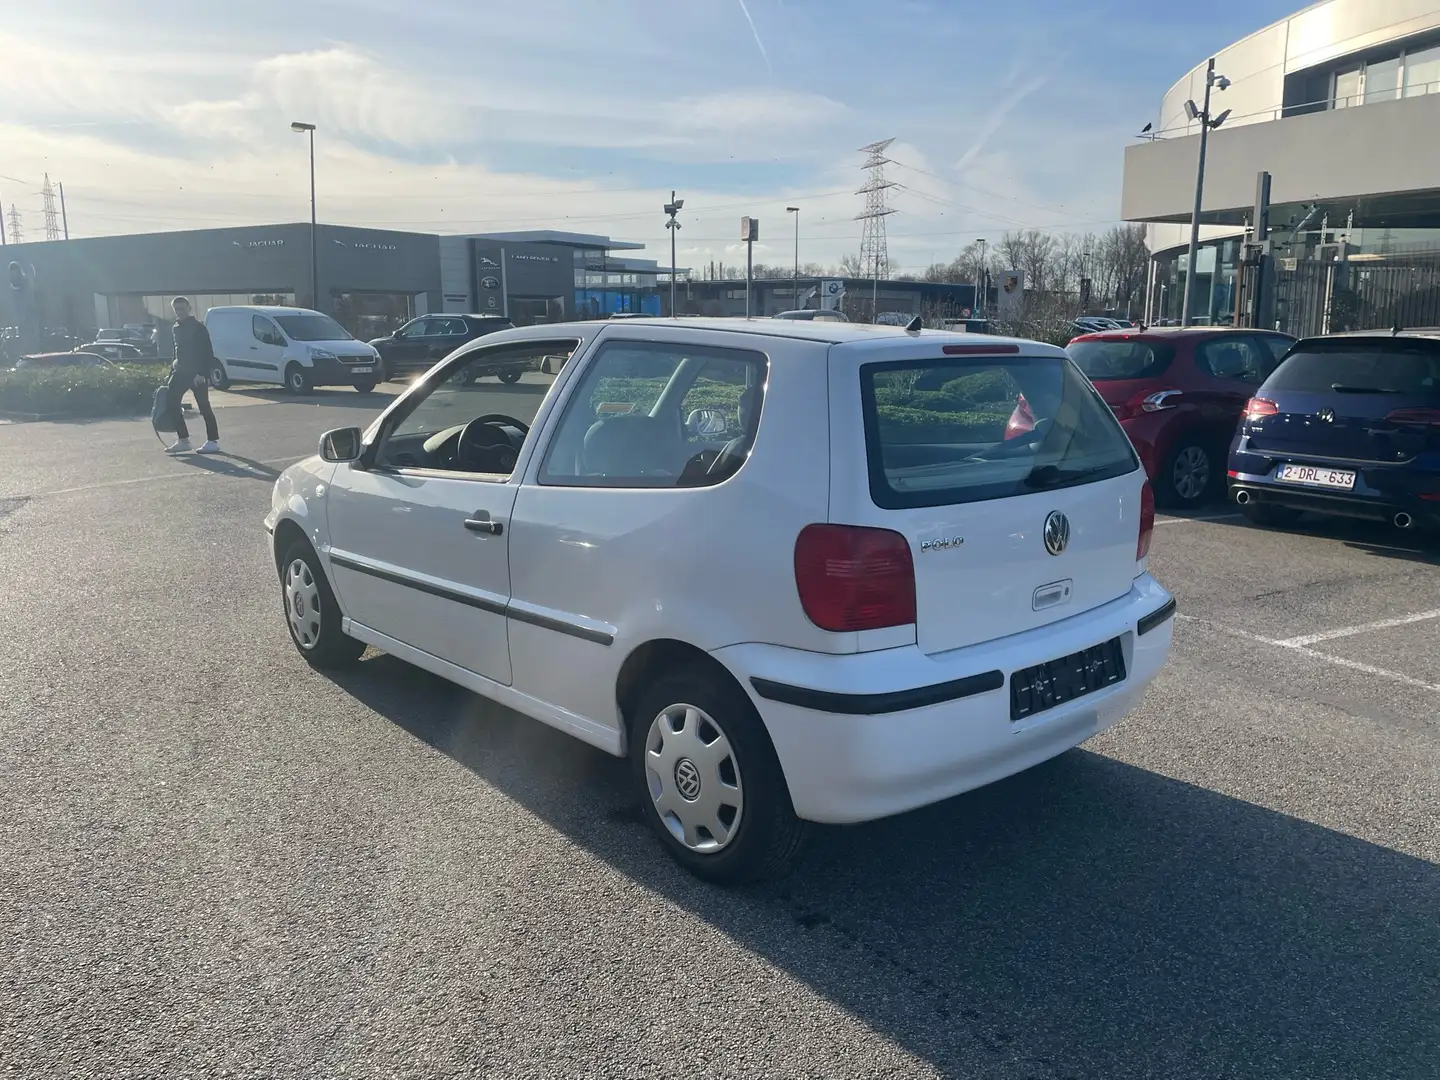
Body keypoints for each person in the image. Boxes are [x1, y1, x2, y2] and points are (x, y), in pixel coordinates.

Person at [162, 297, 220, 454]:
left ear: (189, 308)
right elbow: (176, 351)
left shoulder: (198, 328)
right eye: (176, 309)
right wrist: (171, 371)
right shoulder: (176, 328)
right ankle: (183, 440)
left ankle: (213, 441)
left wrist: (202, 374)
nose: (179, 312)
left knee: (204, 407)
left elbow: (207, 351)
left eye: (182, 308)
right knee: (172, 403)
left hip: (196, 374)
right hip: (180, 372)